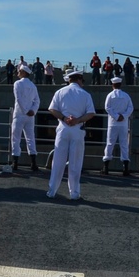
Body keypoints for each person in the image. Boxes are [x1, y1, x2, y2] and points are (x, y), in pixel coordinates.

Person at [46, 70, 96, 200]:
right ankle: (74, 193)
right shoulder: (85, 95)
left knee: (58, 161)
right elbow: (91, 113)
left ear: (69, 79)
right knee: (75, 162)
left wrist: (63, 118)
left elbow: (52, 109)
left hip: (63, 128)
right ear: (79, 79)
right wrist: (77, 120)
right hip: (77, 130)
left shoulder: (60, 92)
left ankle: (52, 191)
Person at [102, 77, 135, 176]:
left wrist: (116, 116)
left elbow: (107, 108)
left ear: (112, 84)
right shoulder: (126, 96)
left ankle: (106, 166)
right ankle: (125, 167)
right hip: (123, 123)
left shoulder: (110, 95)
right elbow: (130, 108)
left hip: (112, 123)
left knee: (110, 143)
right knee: (124, 144)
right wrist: (123, 116)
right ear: (120, 84)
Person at [11, 64, 41, 171]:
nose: (18, 73)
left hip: (19, 114)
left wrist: (25, 111)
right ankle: (33, 162)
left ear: (23, 72)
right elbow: (37, 101)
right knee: (30, 138)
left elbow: (18, 99)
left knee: (16, 138)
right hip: (30, 116)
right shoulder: (33, 86)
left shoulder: (17, 84)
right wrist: (33, 111)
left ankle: (15, 162)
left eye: (19, 71)